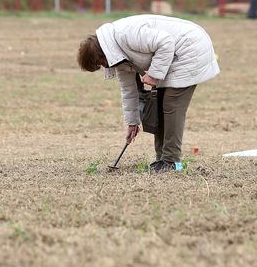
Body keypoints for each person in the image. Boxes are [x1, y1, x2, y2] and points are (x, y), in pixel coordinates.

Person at [77, 15, 220, 173]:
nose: (104, 67)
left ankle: (172, 163)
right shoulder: (117, 55)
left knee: (171, 103)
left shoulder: (125, 35)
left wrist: (153, 74)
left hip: (190, 47)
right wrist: (133, 122)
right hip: (173, 55)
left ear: (102, 53)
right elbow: (129, 91)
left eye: (100, 63)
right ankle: (162, 160)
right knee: (158, 103)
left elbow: (166, 42)